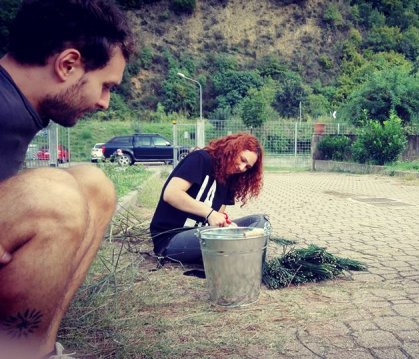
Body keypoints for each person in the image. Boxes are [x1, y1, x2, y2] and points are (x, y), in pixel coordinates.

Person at [0, 0, 134, 357]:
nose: (105, 102)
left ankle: (37, 350)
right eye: (106, 86)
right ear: (68, 64)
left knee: (95, 186)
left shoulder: (17, 108)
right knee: (54, 197)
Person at [150, 133, 270, 265]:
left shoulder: (230, 179)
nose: (242, 168)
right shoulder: (201, 159)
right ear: (232, 149)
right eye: (242, 160)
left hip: (206, 234)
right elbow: (171, 193)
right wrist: (210, 213)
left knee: (261, 221)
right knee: (228, 236)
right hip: (171, 239)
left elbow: (218, 218)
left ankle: (243, 252)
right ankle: (245, 254)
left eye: (247, 167)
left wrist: (226, 224)